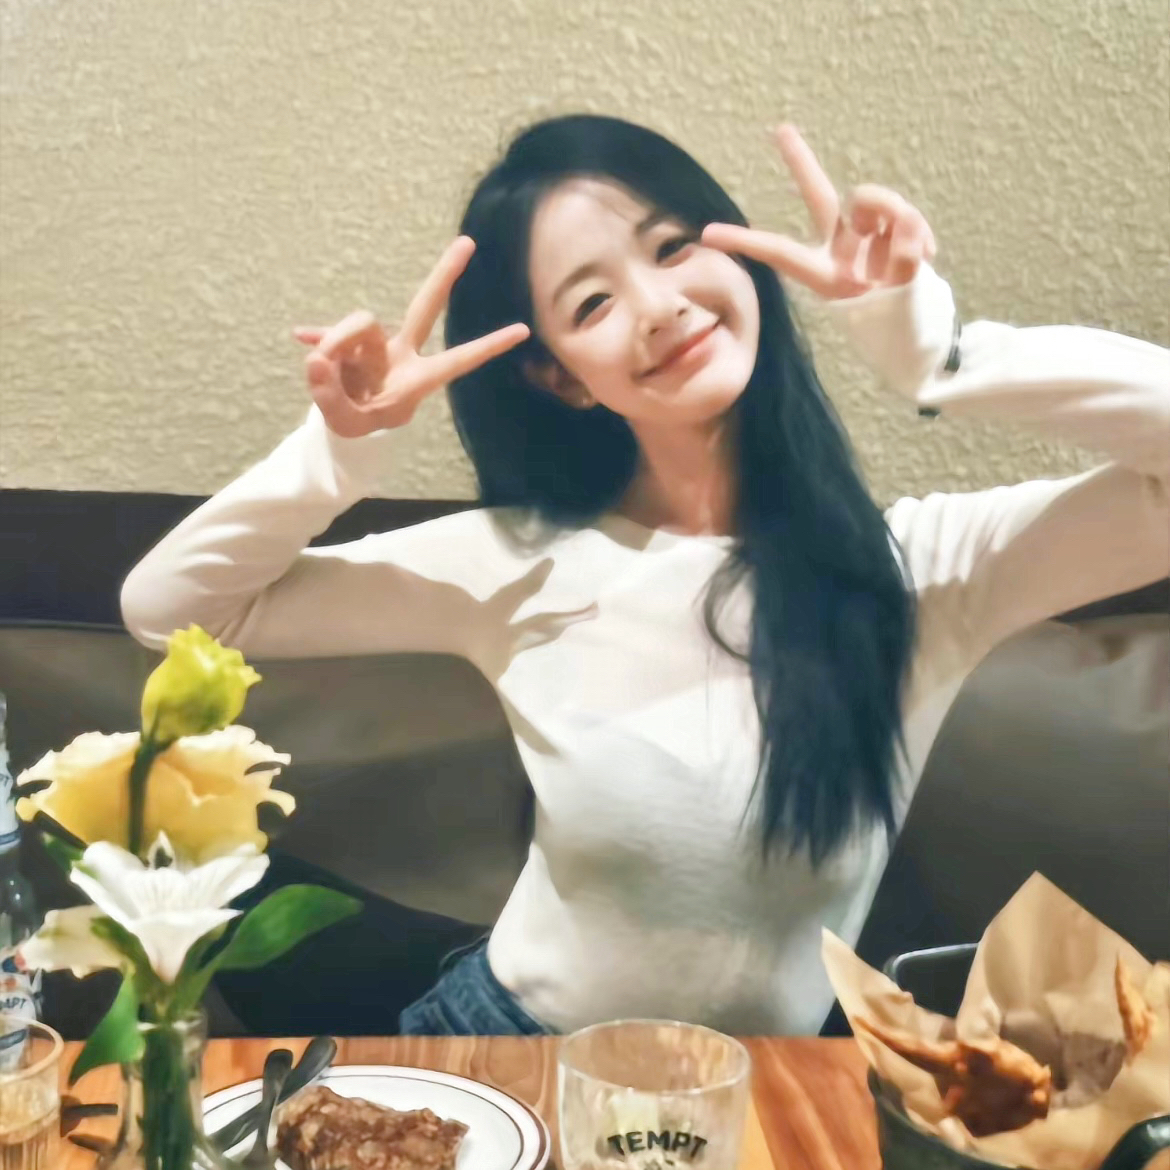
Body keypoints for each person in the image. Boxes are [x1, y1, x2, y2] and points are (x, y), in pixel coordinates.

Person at [121, 115, 1169, 1037]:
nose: (659, 305)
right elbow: (173, 611)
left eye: (672, 248)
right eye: (592, 304)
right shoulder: (516, 561)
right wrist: (341, 451)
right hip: (511, 1055)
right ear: (561, 379)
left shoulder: (925, 570)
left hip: (749, 1098)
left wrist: (937, 355)